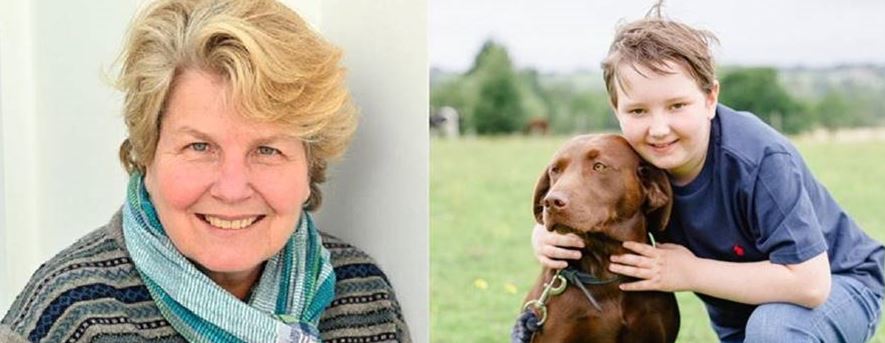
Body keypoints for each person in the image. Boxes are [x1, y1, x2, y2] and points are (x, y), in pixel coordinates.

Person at [0, 0, 410, 342]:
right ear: (148, 155)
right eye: (199, 147)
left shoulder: (361, 294)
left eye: (267, 150)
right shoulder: (72, 313)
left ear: (310, 167)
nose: (232, 190)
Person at [531, 7, 884, 343]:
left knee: (773, 328)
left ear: (710, 98)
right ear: (617, 109)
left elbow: (810, 284)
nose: (658, 129)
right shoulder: (636, 163)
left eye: (677, 106)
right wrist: (543, 236)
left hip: (839, 286)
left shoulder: (757, 158)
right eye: (638, 110)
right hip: (743, 314)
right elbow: (591, 199)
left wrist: (690, 272)